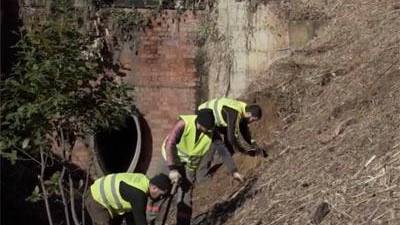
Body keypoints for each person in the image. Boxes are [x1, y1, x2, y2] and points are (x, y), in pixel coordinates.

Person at [148, 109, 216, 225]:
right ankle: (149, 220)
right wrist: (173, 169)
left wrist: (191, 174)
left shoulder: (208, 133)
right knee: (157, 191)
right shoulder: (183, 124)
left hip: (187, 164)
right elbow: (170, 144)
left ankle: (183, 222)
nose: (208, 131)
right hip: (169, 159)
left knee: (186, 194)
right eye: (207, 128)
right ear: (200, 123)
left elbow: (198, 155)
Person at [197, 97, 264, 181]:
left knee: (228, 144)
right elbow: (231, 137)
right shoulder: (234, 113)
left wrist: (254, 146)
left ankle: (222, 161)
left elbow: (245, 132)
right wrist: (241, 150)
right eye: (253, 120)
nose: (251, 122)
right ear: (249, 114)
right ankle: (202, 176)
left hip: (215, 119)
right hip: (204, 118)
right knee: (214, 144)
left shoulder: (242, 109)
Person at [85, 173, 171, 225]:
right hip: (96, 198)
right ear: (154, 188)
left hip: (99, 192)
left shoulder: (142, 179)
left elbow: (132, 215)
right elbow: (140, 222)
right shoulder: (139, 195)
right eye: (161, 195)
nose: (161, 198)